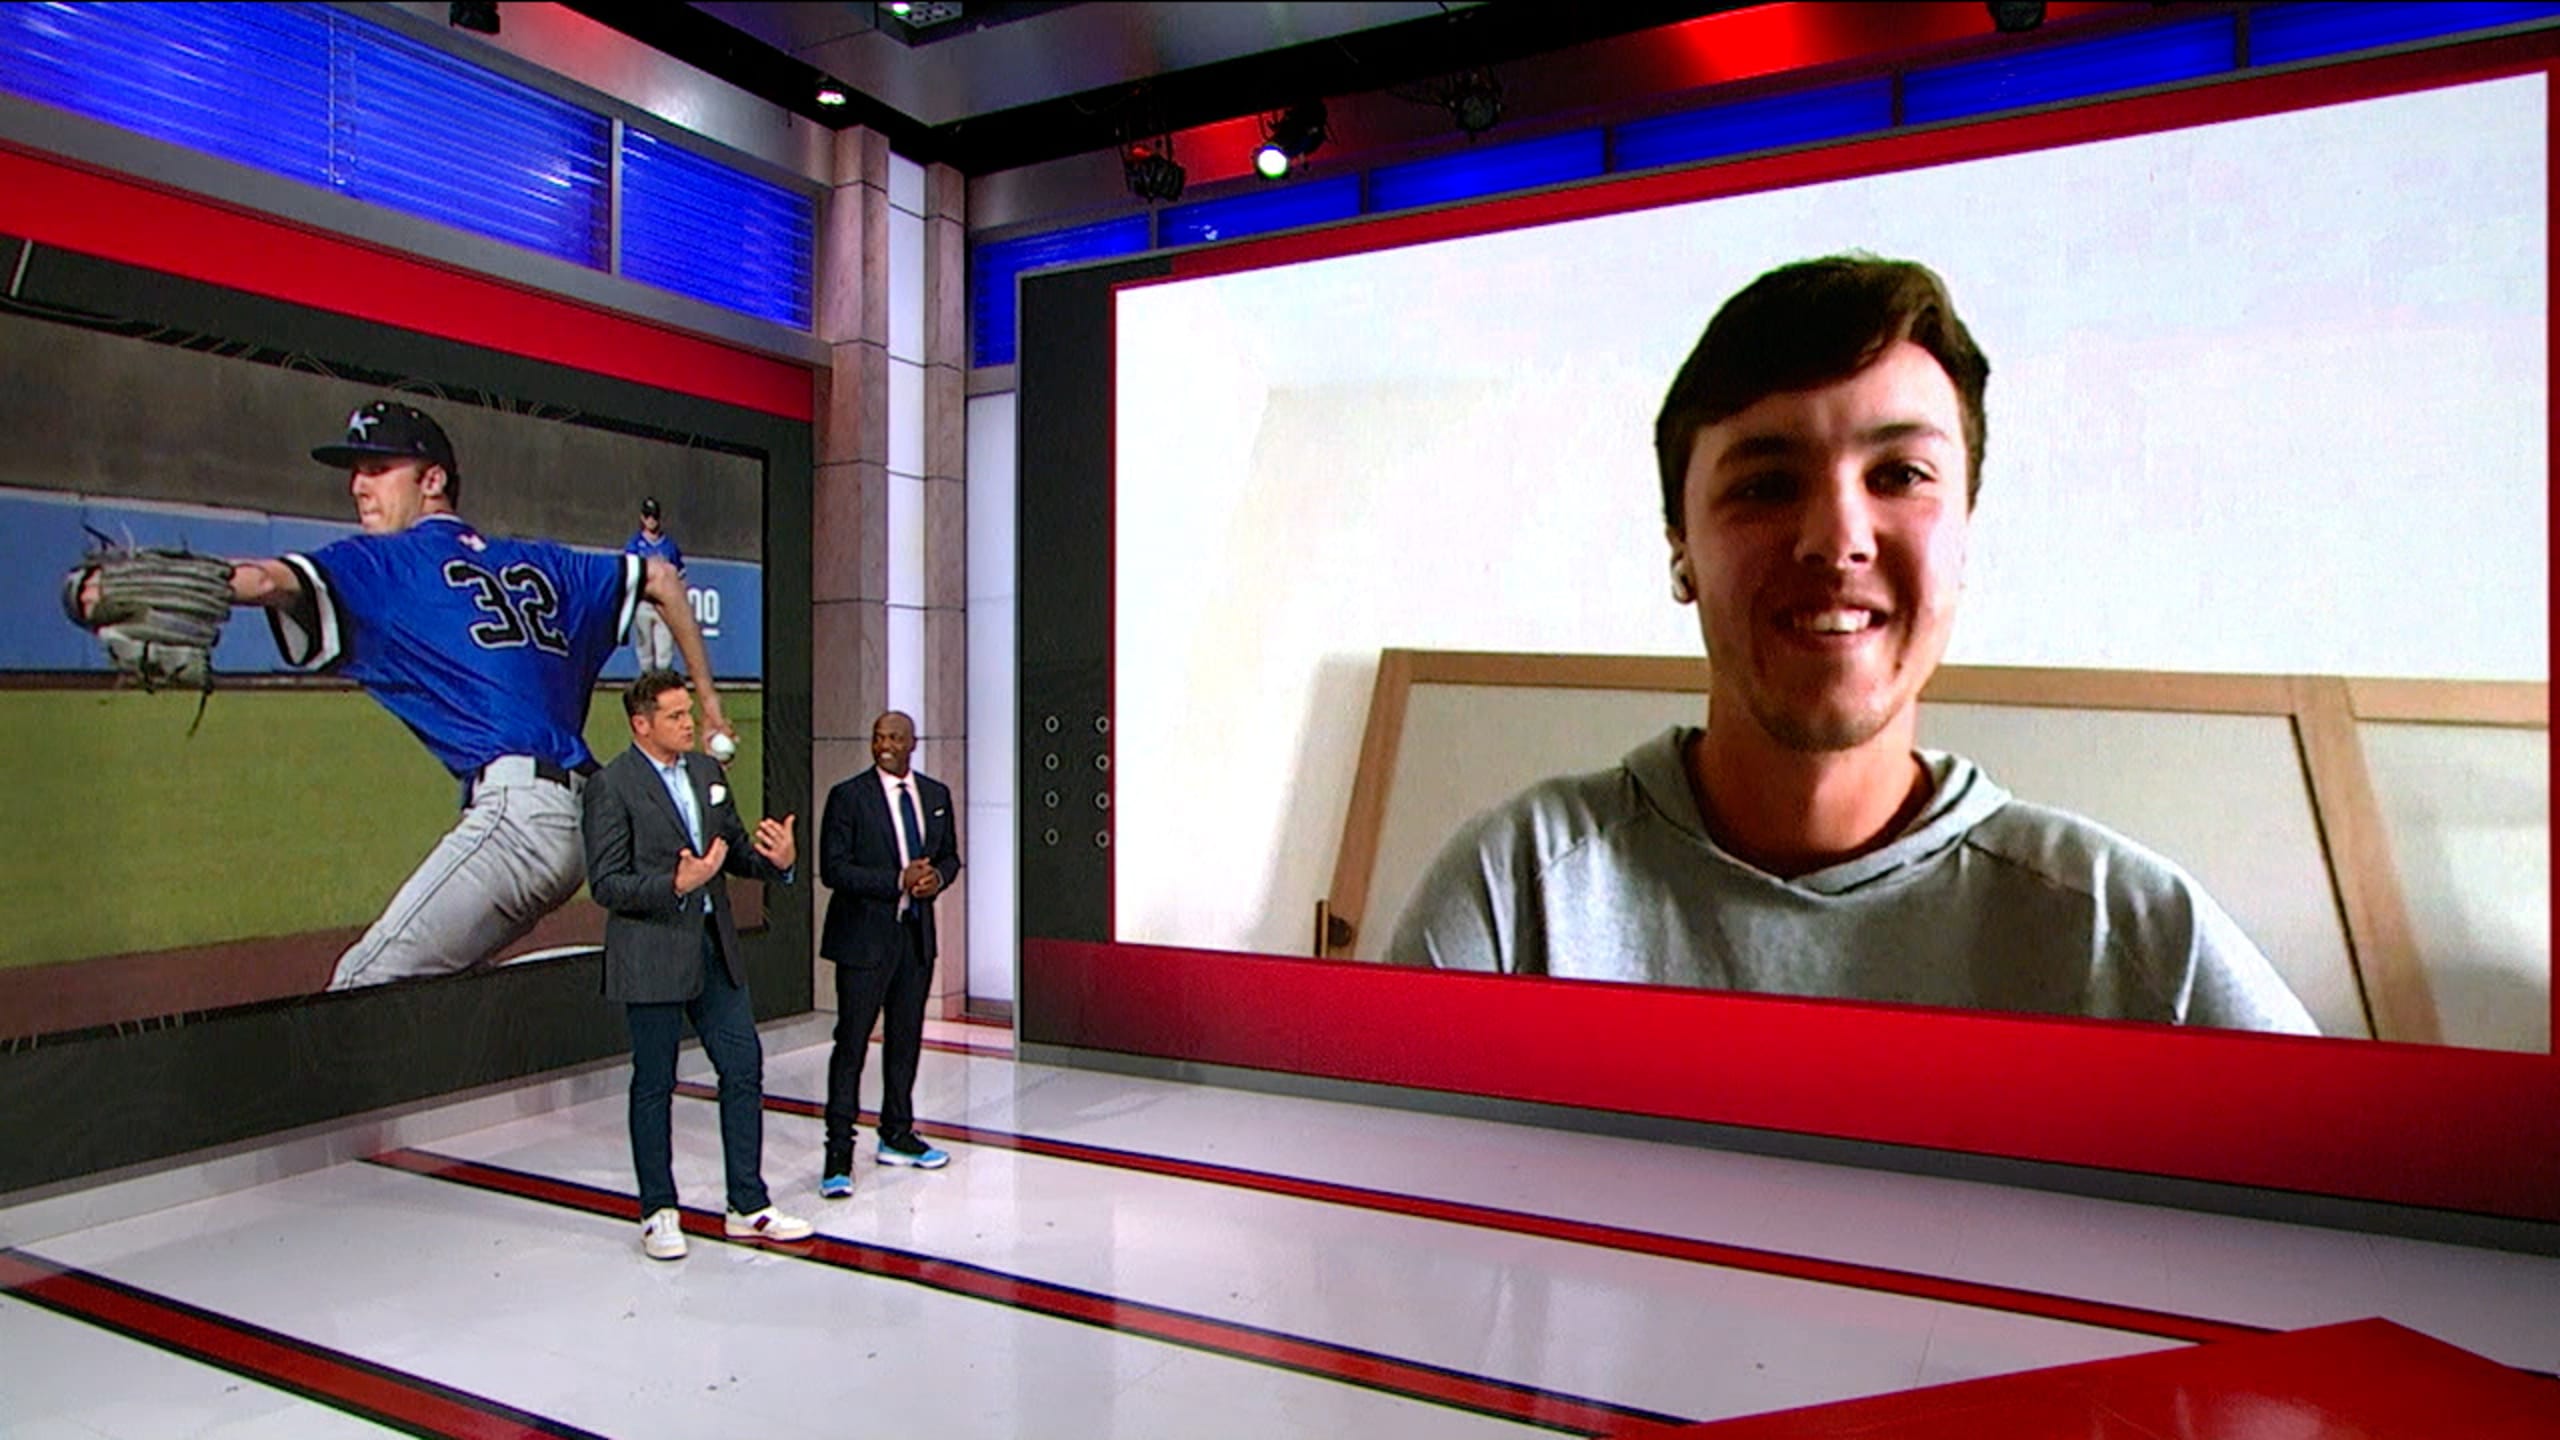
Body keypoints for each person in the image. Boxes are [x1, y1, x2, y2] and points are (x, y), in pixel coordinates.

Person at [1388, 255, 2319, 1035]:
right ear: (1682, 550)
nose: (1836, 540)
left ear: (1964, 535)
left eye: (1901, 474)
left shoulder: (2133, 937)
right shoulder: (1517, 897)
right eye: (1765, 484)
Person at [207, 399, 733, 990]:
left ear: (432, 480)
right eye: (355, 472)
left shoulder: (386, 562)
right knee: (442, 984)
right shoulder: (539, 561)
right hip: (583, 820)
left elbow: (265, 579)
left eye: (378, 469)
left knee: (360, 985)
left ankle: (597, 981)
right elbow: (660, 578)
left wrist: (171, 581)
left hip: (519, 820)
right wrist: (710, 704)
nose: (358, 486)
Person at [582, 668, 809, 1259]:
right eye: (677, 716)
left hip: (714, 947)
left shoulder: (707, 773)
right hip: (651, 953)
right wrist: (674, 884)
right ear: (642, 724)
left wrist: (777, 862)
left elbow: (730, 850)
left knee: (743, 1067)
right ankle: (658, 1211)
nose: (690, 724)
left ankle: (748, 1204)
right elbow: (606, 883)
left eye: (689, 713)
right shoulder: (612, 785)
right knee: (655, 1083)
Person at [816, 710, 962, 1196]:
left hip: (914, 937)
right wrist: (896, 880)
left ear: (912, 743)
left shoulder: (935, 796)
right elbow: (834, 869)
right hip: (862, 939)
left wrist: (935, 879)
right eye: (878, 737)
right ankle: (838, 1153)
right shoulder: (848, 797)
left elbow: (950, 858)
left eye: (895, 738)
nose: (884, 745)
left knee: (906, 1039)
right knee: (852, 1044)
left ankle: (897, 1133)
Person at [625, 496, 684, 673]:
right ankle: (648, 687)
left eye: (654, 516)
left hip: (663, 605)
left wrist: (680, 602)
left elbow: (680, 576)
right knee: (645, 657)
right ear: (642, 517)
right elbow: (628, 575)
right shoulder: (634, 546)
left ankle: (663, 687)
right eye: (648, 516)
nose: (651, 520)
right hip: (643, 603)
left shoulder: (669, 546)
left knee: (664, 658)